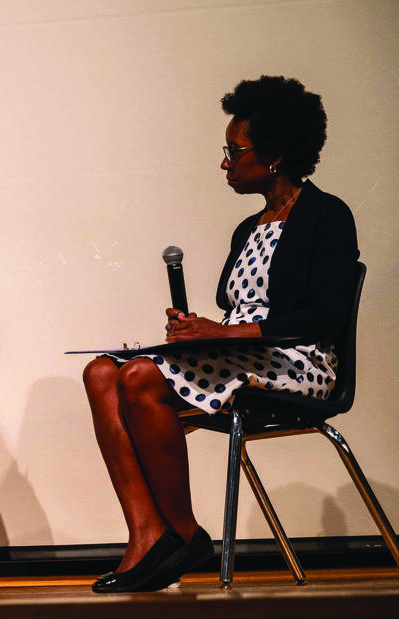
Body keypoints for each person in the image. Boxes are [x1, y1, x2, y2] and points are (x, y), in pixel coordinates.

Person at [82, 76, 359, 593]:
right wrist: (197, 333)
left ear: (274, 156)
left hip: (298, 362)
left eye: (235, 150)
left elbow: (325, 315)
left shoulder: (328, 216)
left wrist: (230, 332)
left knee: (140, 377)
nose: (225, 162)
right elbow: (234, 309)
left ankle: (183, 534)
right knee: (100, 372)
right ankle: (147, 534)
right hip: (244, 356)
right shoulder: (248, 228)